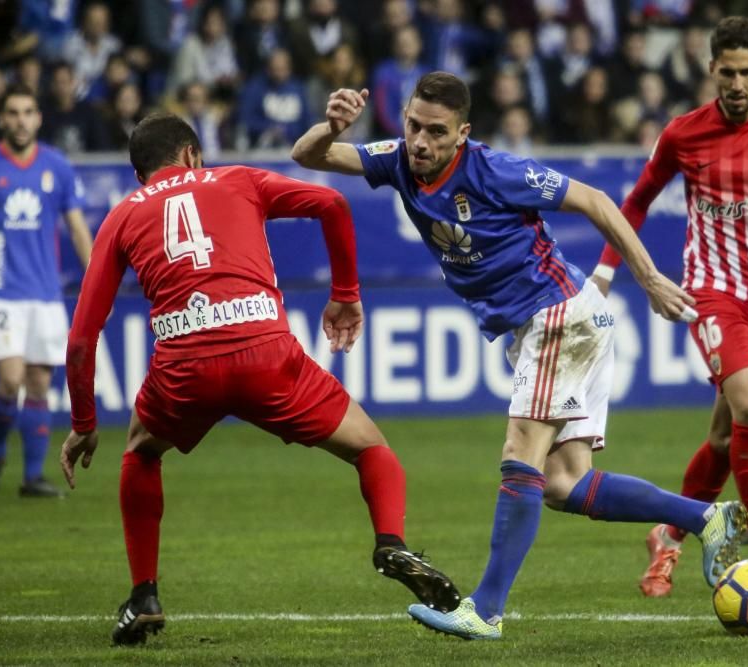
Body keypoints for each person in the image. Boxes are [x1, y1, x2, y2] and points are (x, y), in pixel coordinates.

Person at [291, 71, 748, 641]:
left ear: (462, 134)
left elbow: (596, 200)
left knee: (520, 454)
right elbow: (309, 155)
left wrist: (650, 279)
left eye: (436, 132)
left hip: (561, 316)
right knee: (562, 484)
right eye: (413, 126)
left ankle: (485, 609)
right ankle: (706, 517)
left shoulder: (495, 171)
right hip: (548, 324)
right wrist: (331, 126)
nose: (421, 142)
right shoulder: (398, 160)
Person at [58, 112, 460, 646]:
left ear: (140, 175)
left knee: (139, 451)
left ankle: (144, 594)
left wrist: (85, 422)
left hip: (185, 367)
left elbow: (83, 338)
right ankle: (390, 540)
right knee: (370, 449)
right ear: (193, 155)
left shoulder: (121, 217)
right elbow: (332, 204)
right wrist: (344, 293)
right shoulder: (237, 179)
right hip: (266, 354)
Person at [592, 17, 748, 595]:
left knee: (722, 438)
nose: (736, 83)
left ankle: (669, 535)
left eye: (747, 72)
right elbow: (632, 204)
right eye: (726, 72)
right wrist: (607, 271)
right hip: (710, 293)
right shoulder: (684, 134)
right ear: (711, 70)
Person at [0, 83, 93, 498]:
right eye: (12, 112)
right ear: (1, 119)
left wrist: (94, 278)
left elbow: (76, 227)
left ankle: (32, 477)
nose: (20, 119)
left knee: (38, 383)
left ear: (38, 118)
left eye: (27, 111)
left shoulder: (57, 166)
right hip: (2, 293)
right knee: (10, 379)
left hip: (46, 294)